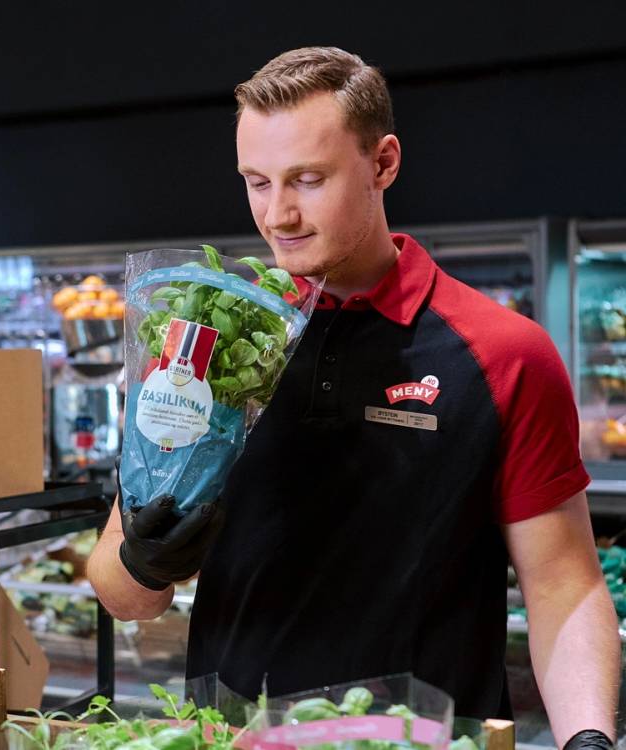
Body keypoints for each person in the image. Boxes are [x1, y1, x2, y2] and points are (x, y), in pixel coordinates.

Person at [87, 47, 621, 745]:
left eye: (308, 180)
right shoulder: (208, 346)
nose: (278, 214)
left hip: (427, 740)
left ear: (383, 163)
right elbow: (125, 593)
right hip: (231, 737)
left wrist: (588, 737)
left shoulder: (504, 354)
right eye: (257, 183)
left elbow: (563, 587)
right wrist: (143, 561)